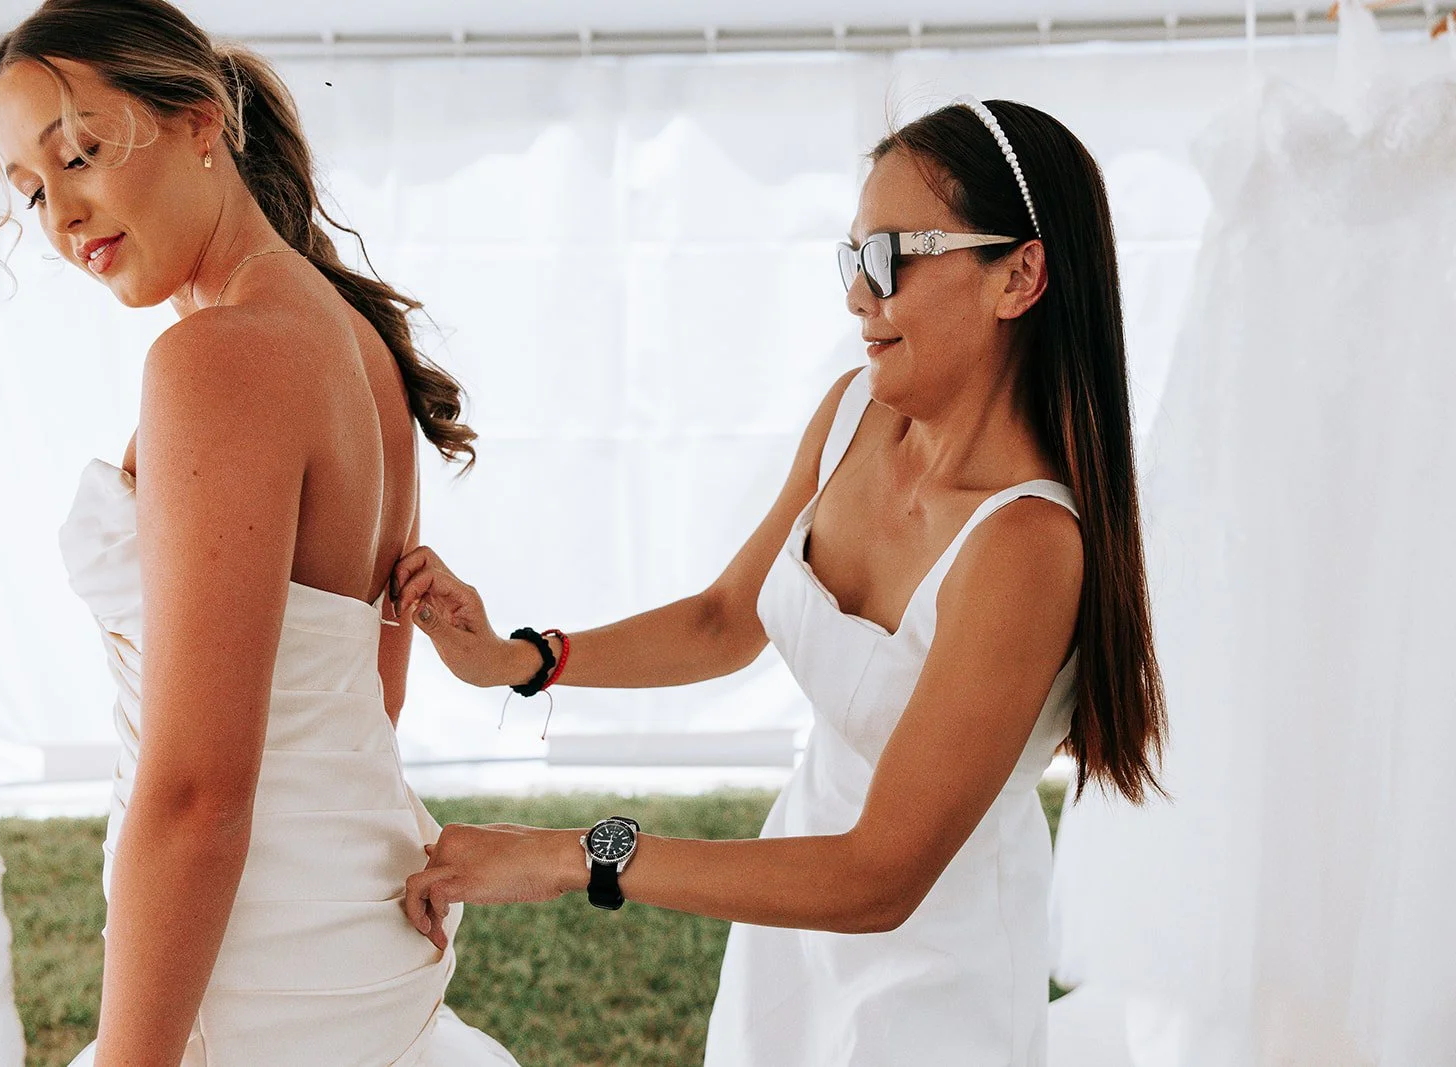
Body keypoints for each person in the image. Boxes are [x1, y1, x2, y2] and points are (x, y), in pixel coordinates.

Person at [392, 97, 1167, 1067]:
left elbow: (880, 875)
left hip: (931, 965)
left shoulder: (1026, 545)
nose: (855, 296)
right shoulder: (852, 414)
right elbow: (727, 618)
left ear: (1018, 274)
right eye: (851, 259)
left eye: (890, 257)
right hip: (790, 906)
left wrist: (567, 854)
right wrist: (517, 659)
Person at [0, 1, 516, 1063]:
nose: (59, 214)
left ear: (198, 121)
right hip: (349, 932)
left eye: (79, 153)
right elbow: (377, 690)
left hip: (258, 964)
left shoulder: (217, 359)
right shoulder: (354, 340)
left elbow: (195, 794)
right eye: (32, 190)